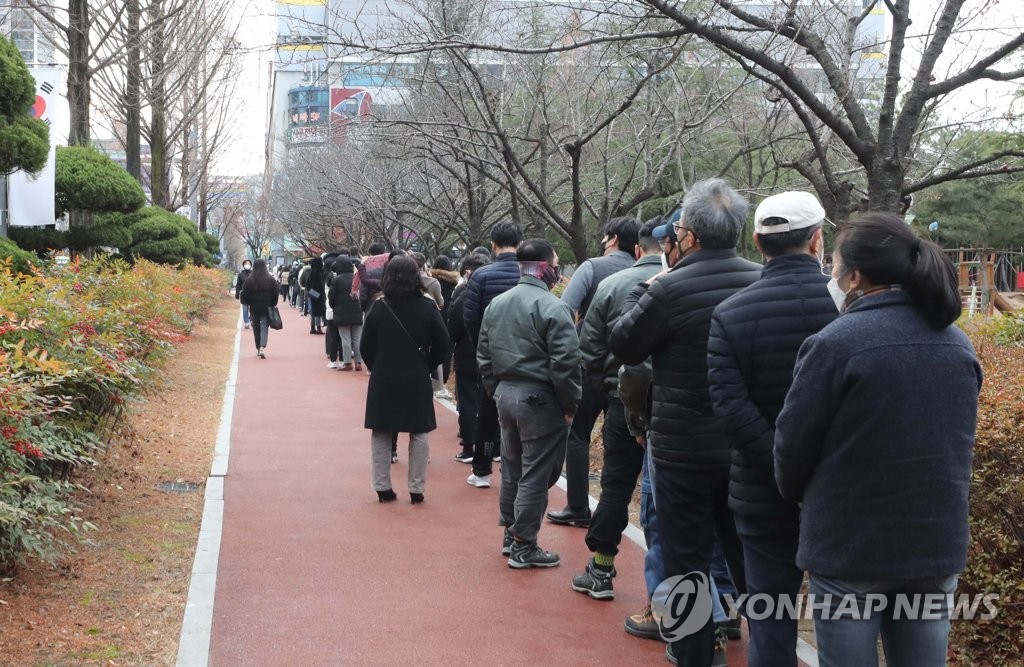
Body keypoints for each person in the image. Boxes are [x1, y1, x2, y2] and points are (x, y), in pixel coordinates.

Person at [774, 211, 981, 667]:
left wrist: (796, 495)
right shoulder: (957, 345)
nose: (831, 273)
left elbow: (793, 445)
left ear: (856, 276)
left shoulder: (834, 344)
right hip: (933, 544)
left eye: (833, 265)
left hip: (850, 546)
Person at [610, 178, 761, 666]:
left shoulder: (669, 289)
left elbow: (625, 345)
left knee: (685, 561)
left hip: (682, 450)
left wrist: (647, 289)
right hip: (745, 447)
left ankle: (695, 655)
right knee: (746, 556)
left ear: (688, 236)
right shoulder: (760, 281)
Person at [706, 191, 838, 666]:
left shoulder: (732, 312)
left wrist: (783, 465)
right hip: (838, 489)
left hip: (761, 489)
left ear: (758, 242)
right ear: (818, 239)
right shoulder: (851, 308)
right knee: (845, 618)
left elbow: (729, 407)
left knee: (769, 618)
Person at [569, 219, 663, 599]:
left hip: (622, 403)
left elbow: (588, 349)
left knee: (616, 485)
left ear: (637, 249)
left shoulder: (610, 285)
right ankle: (718, 604)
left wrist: (609, 390)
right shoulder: (698, 282)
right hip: (684, 408)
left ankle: (602, 569)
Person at [477, 239, 581, 568]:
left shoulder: (497, 304)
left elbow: (484, 355)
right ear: (546, 267)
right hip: (540, 398)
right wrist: (570, 404)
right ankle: (524, 543)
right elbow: (566, 364)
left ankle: (511, 534)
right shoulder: (554, 307)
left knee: (512, 467)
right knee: (537, 472)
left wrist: (497, 389)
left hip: (506, 394)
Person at [548, 217, 640, 528]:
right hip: (633, 372)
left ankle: (578, 507)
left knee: (578, 434)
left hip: (592, 366)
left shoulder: (592, 267)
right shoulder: (652, 272)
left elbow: (564, 308)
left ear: (611, 238)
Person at [360, 255, 449, 504]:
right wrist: (427, 365)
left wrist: (376, 366)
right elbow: (443, 343)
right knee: (419, 431)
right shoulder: (428, 307)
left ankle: (382, 486)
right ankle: (417, 488)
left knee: (381, 430)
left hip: (384, 376)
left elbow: (365, 346)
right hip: (416, 376)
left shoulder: (378, 307)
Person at [462, 221, 523, 488]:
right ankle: (519, 471)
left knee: (487, 414)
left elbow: (470, 320)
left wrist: (482, 349)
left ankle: (482, 469)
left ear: (493, 245)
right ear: (519, 243)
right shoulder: (528, 274)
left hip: (491, 357)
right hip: (526, 356)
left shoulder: (481, 276)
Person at [448, 253, 490, 463]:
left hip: (466, 353)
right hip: (492, 355)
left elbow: (453, 327)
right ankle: (492, 449)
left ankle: (469, 447)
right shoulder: (497, 291)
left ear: (468, 271)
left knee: (467, 401)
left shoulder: (464, 293)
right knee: (490, 403)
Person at [239, 258, 279, 359]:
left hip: (254, 308)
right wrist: (273, 303)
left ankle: (257, 348)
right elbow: (276, 292)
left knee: (256, 327)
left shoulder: (250, 280)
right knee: (264, 326)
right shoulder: (270, 279)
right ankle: (262, 346)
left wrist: (248, 302)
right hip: (266, 307)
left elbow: (245, 294)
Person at [329, 256, 364, 371]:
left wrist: (334, 307)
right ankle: (358, 362)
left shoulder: (336, 280)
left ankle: (348, 363)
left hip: (341, 313)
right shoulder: (356, 277)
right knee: (357, 338)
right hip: (357, 310)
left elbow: (331, 297)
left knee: (345, 339)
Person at [307, 256, 326, 334]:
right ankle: (318, 328)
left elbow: (308, 283)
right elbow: (320, 284)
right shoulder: (319, 272)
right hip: (319, 293)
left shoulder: (311, 271)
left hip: (312, 292)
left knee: (313, 311)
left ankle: (312, 327)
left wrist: (310, 291)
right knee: (318, 311)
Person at [234, 259, 252, 329]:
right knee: (245, 309)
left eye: (248, 263)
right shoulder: (241, 274)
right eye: (246, 263)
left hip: (253, 294)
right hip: (244, 294)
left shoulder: (253, 273)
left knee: (253, 309)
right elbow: (238, 285)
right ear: (244, 265)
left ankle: (252, 320)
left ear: (250, 265)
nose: (247, 265)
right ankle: (247, 322)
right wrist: (237, 294)